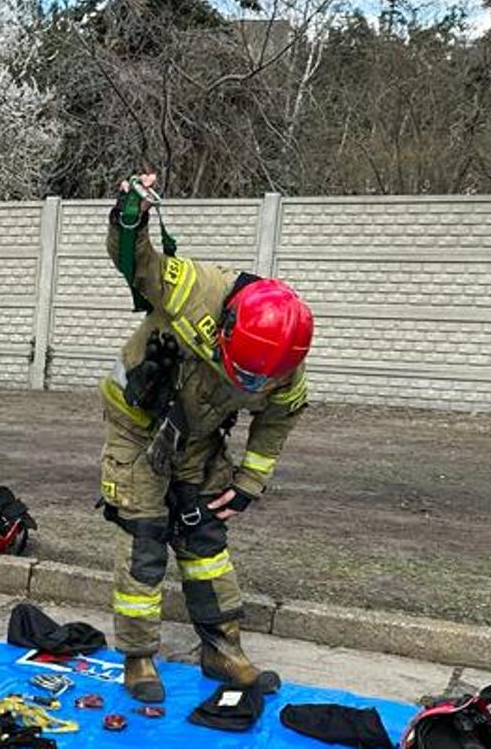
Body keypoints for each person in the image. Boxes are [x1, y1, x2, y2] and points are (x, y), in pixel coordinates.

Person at [97, 174, 314, 703]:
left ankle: (222, 649)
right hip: (138, 426)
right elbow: (135, 261)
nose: (253, 387)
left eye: (262, 381)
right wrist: (130, 217)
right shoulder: (195, 288)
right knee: (145, 540)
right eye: (245, 374)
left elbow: (277, 420)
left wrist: (248, 483)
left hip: (198, 439)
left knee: (204, 543)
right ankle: (139, 657)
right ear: (228, 326)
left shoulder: (284, 363)